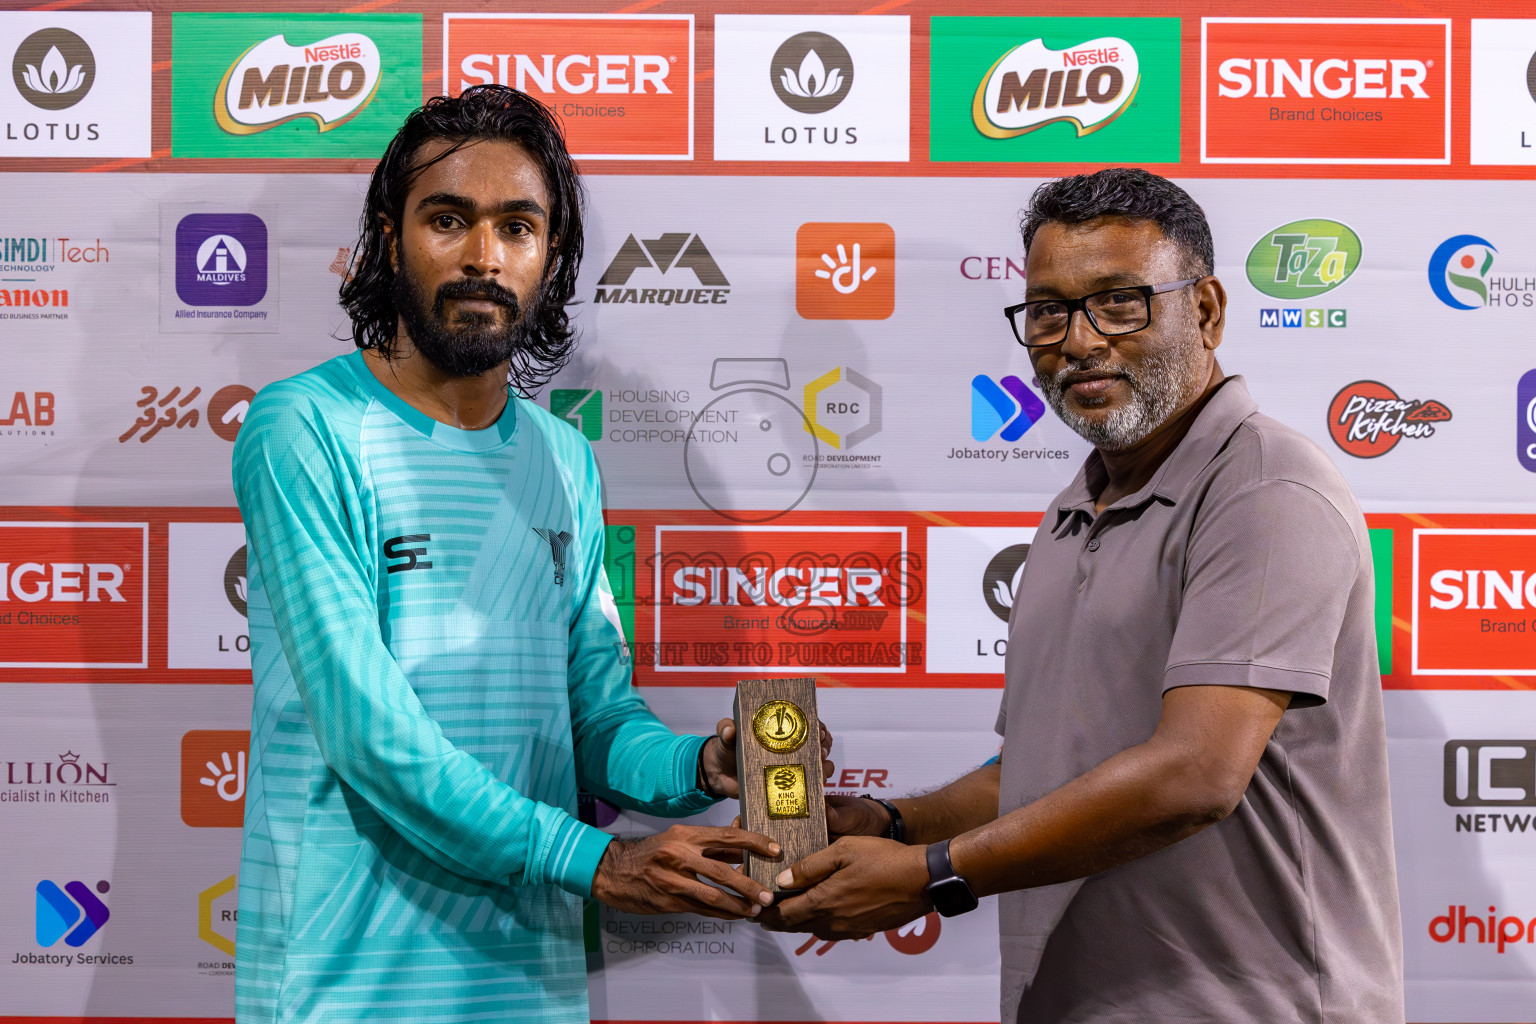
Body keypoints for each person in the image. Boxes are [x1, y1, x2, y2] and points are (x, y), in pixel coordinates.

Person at [765, 168, 1404, 1023]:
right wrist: (892, 824)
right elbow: (1041, 768)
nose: (1079, 340)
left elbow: (1195, 774)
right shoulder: (1076, 507)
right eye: (1048, 310)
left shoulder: (1263, 486)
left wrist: (933, 877)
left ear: (1206, 311)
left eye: (1120, 302)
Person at [231, 86, 800, 1024]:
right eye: (447, 219)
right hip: (346, 986)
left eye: (518, 227)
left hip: (524, 988)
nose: (483, 256)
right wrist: (596, 860)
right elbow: (369, 734)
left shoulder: (562, 458)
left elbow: (596, 719)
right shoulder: (305, 427)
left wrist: (702, 766)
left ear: (551, 257)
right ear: (388, 237)